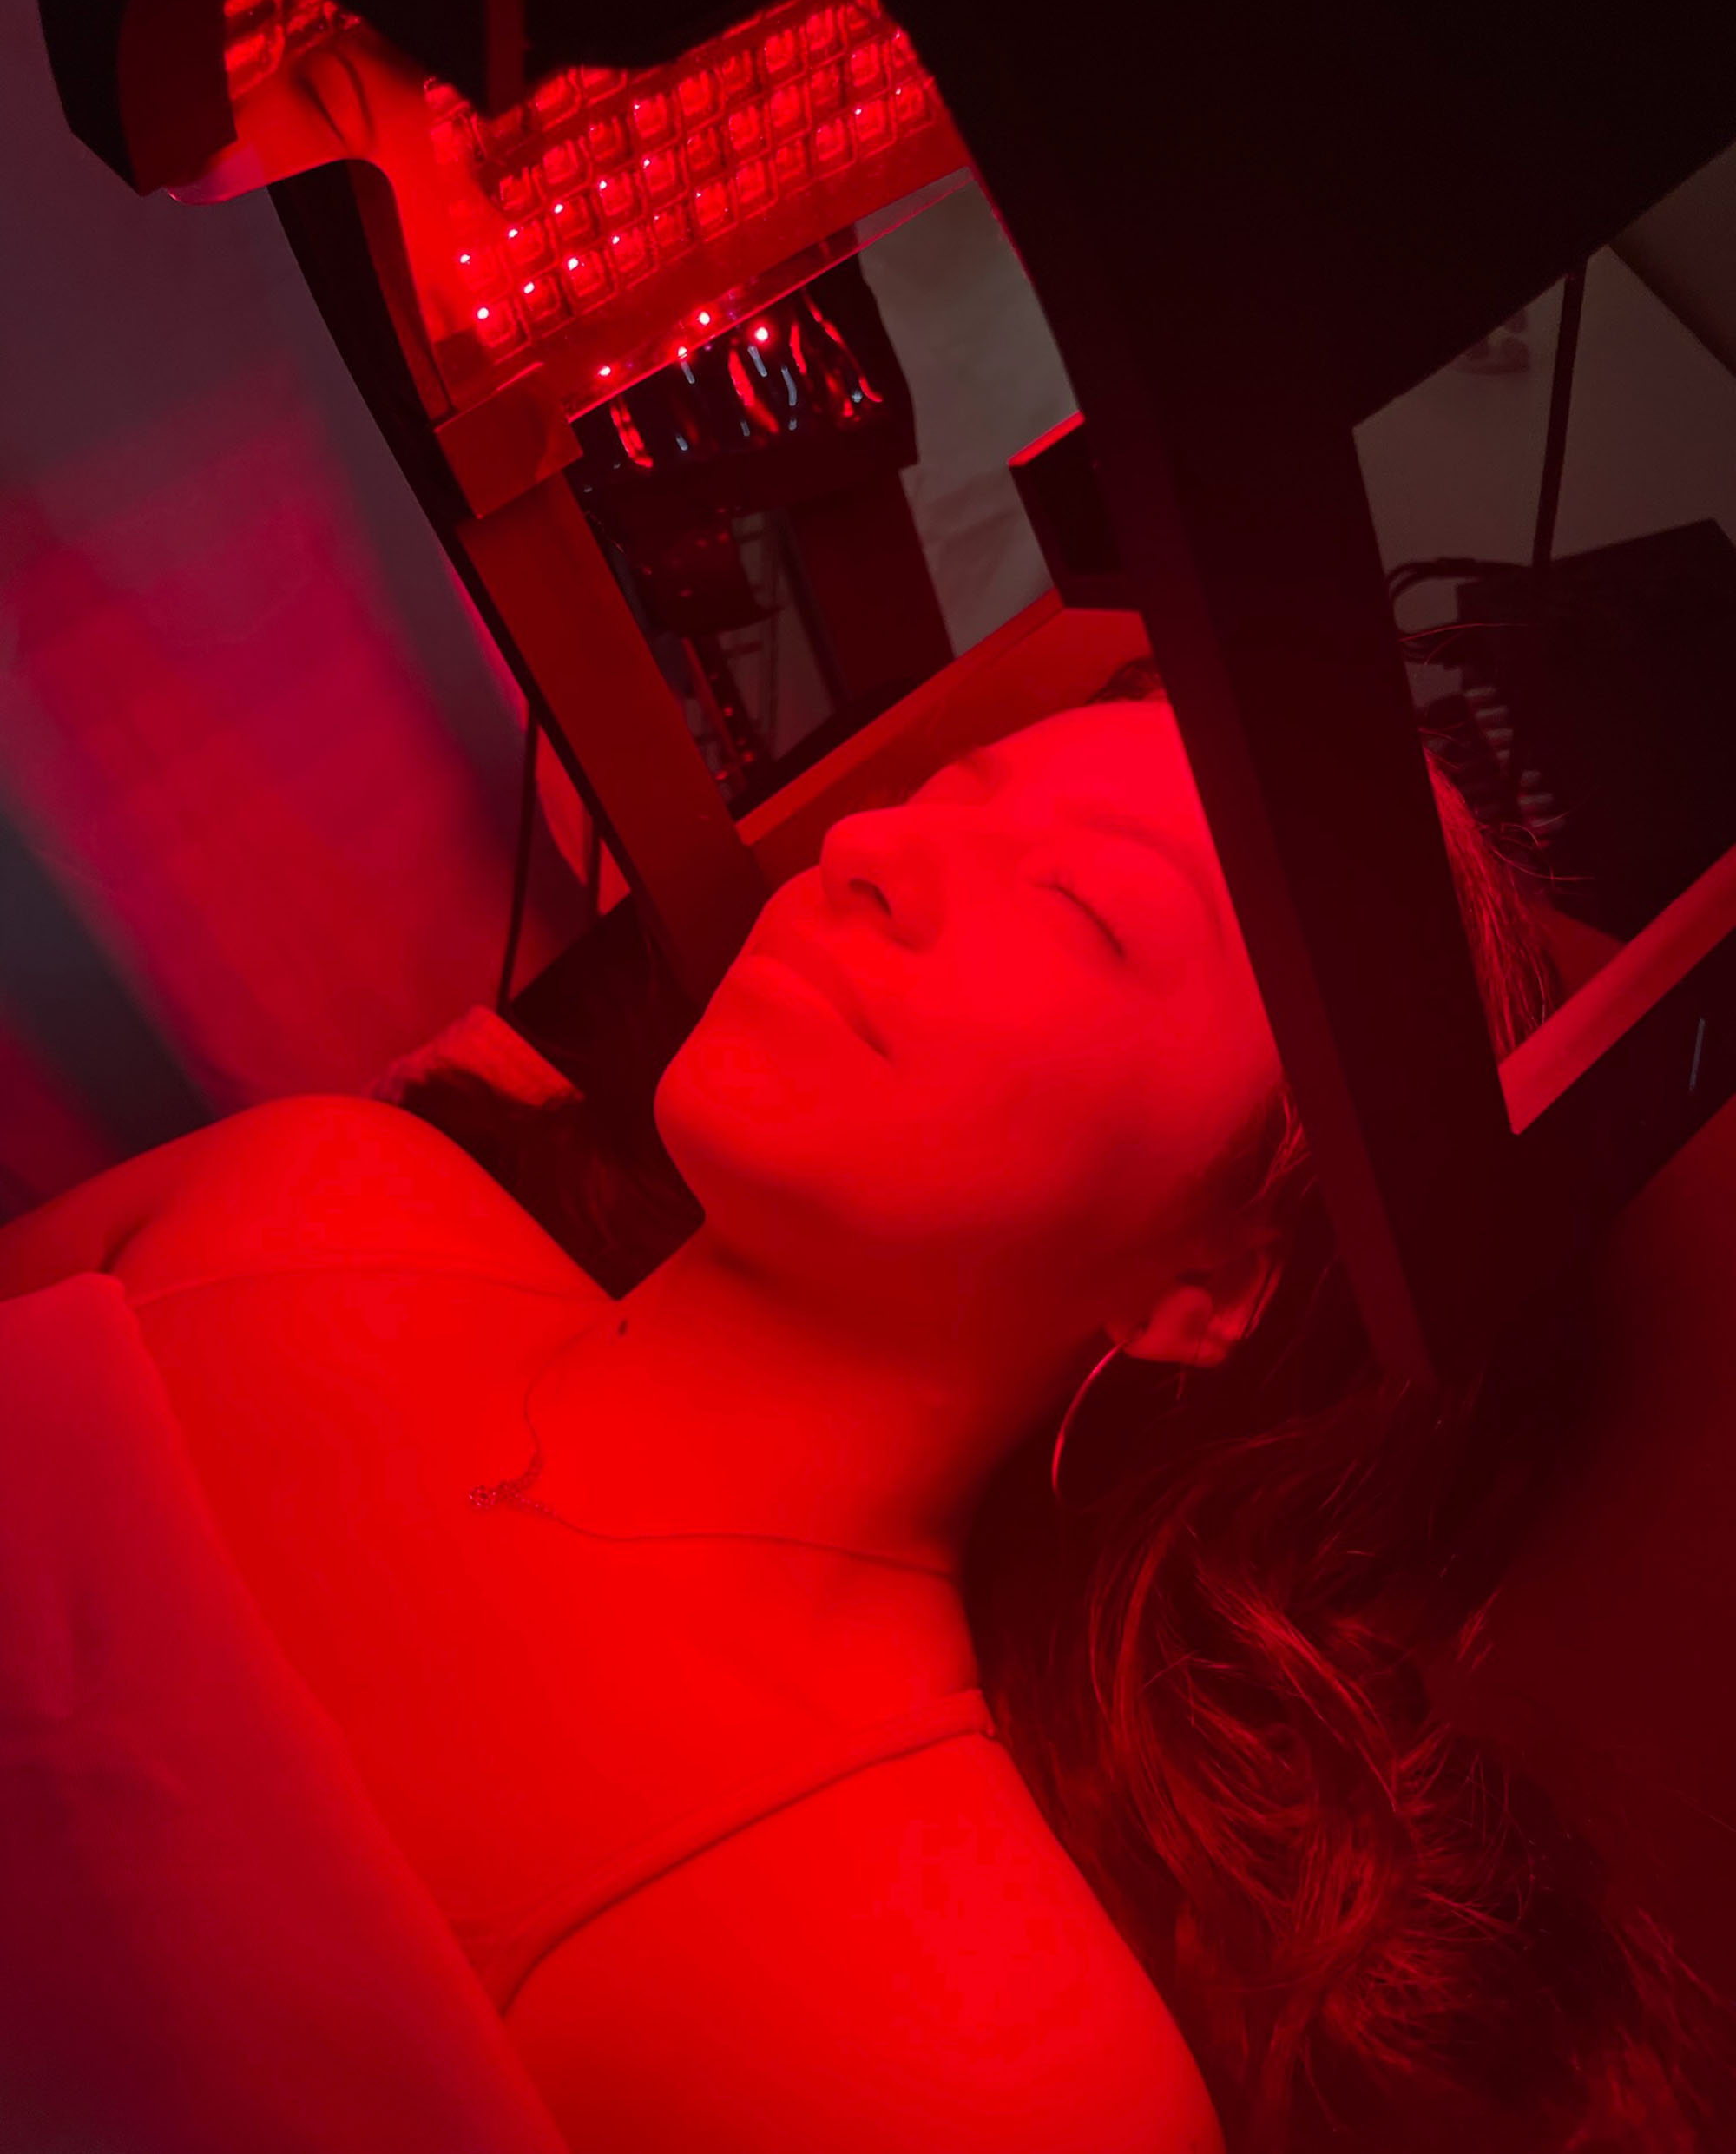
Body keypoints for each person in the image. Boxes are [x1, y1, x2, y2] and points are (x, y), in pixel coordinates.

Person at [0, 655, 1721, 2151]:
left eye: (1084, 907)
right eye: (939, 799)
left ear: (1210, 1286)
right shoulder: (315, 1186)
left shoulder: (957, 2044)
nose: (870, 854)